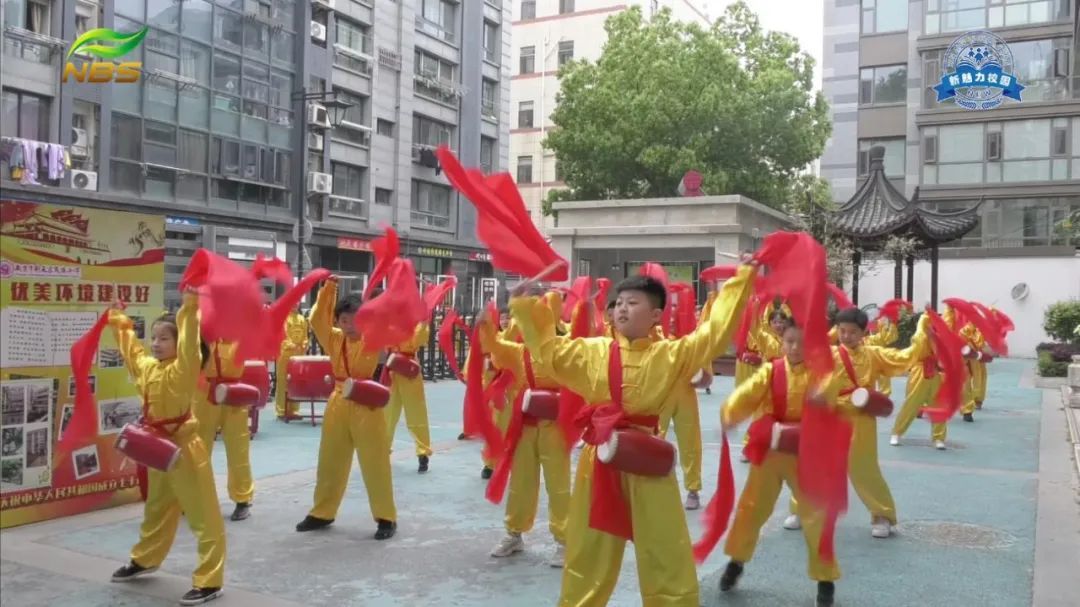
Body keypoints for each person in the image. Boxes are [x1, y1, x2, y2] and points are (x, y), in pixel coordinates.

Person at [510, 264, 756, 607]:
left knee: (664, 551)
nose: (622, 308)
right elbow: (548, 352)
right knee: (588, 549)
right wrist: (524, 308)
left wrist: (741, 281)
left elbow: (714, 332)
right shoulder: (592, 351)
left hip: (648, 462)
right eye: (620, 302)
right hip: (600, 462)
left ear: (656, 314)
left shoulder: (672, 355)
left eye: (633, 302)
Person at [108, 292, 226, 606]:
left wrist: (190, 305)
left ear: (178, 342)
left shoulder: (184, 369)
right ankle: (145, 558)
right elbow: (131, 351)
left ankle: (210, 579)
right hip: (156, 449)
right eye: (155, 337)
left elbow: (190, 344)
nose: (156, 343)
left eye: (164, 338)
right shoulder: (149, 368)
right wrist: (118, 319)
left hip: (186, 450)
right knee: (156, 509)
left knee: (203, 515)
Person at [718, 317, 840, 607]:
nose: (795, 348)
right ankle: (736, 562)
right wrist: (730, 413)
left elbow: (831, 395)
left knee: (817, 516)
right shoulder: (771, 371)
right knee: (751, 509)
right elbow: (746, 394)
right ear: (781, 341)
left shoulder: (822, 373)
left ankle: (825, 580)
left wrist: (822, 398)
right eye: (790, 341)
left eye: (802, 343)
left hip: (807, 455)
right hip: (771, 452)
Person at [785, 307, 930, 538]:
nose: (846, 336)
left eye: (852, 332)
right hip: (829, 417)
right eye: (842, 331)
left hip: (860, 419)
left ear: (864, 332)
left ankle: (882, 515)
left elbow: (906, 357)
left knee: (864, 468)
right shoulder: (828, 354)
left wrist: (922, 330)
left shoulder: (874, 354)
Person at [295, 277, 397, 540]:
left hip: (366, 402)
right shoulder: (334, 339)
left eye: (357, 319)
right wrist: (328, 290)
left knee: (375, 462)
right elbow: (318, 317)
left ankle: (386, 517)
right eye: (344, 320)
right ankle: (322, 512)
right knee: (330, 460)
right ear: (338, 321)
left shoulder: (372, 338)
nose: (350, 325)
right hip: (338, 401)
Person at [478, 309, 571, 567]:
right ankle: (514, 533)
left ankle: (565, 541)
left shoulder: (565, 350)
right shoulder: (520, 353)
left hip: (555, 427)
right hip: (524, 426)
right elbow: (493, 345)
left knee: (558, 484)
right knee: (521, 481)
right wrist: (485, 325)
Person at [193, 339, 255, 521]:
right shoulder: (198, 327)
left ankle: (243, 499)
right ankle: (195, 498)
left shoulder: (239, 332)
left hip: (234, 392)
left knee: (238, 449)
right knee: (198, 447)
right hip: (204, 392)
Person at [889, 324, 949, 450]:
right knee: (911, 404)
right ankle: (897, 433)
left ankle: (938, 437)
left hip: (934, 373)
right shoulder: (918, 337)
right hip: (919, 372)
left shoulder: (937, 337)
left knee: (938, 405)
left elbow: (942, 358)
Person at [386, 322, 434, 473]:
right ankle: (382, 450)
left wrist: (424, 321)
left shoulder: (416, 324)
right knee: (387, 414)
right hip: (393, 371)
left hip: (409, 371)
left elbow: (420, 338)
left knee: (416, 413)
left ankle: (423, 452)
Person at [275, 305, 309, 420]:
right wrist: (291, 345)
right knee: (283, 381)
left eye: (297, 302)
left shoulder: (302, 319)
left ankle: (294, 410)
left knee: (296, 381)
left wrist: (304, 343)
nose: (295, 305)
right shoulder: (284, 318)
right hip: (285, 354)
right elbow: (282, 335)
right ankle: (281, 410)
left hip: (298, 354)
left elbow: (305, 335)